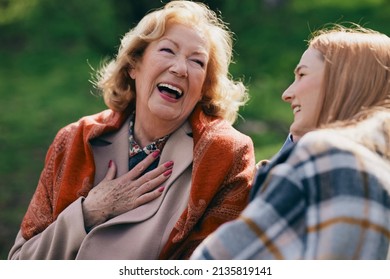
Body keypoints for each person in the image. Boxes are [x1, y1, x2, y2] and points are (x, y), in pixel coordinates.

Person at [8, 0, 255, 260]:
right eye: (168, 50)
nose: (180, 69)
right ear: (134, 65)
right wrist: (88, 213)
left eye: (197, 62)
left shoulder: (225, 154)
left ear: (205, 86)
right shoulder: (74, 140)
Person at [191, 24, 390, 259]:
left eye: (302, 74)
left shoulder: (328, 156)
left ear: (345, 82)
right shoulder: (378, 172)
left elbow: (215, 263)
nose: (287, 93)